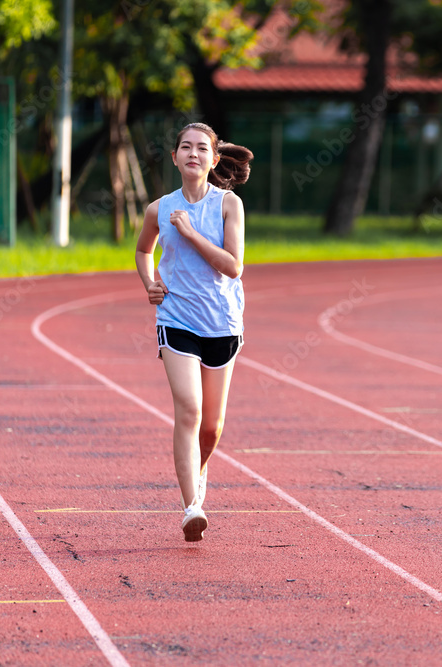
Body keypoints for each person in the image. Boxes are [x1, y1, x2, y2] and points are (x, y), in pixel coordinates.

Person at [134, 122, 253, 542]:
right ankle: (191, 507)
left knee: (212, 427)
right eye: (185, 147)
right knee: (189, 409)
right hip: (176, 320)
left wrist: (189, 233)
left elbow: (233, 265)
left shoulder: (228, 205)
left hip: (221, 323)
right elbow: (143, 249)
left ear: (214, 159)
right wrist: (150, 281)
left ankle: (199, 468)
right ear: (174, 158)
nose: (193, 153)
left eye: (202, 148)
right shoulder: (158, 209)